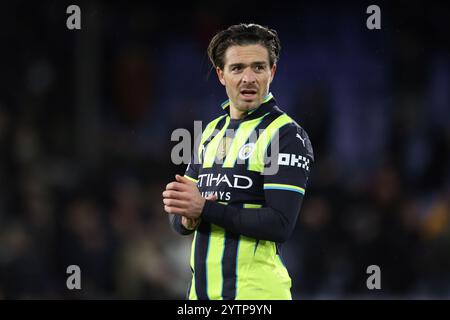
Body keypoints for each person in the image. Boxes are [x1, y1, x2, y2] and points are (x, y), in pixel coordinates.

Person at [162, 23, 314, 300]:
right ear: (221, 75)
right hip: (201, 296)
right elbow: (179, 221)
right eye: (237, 68)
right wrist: (187, 216)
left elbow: (280, 223)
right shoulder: (210, 132)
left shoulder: (285, 134)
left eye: (258, 67)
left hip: (256, 296)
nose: (249, 78)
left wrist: (204, 210)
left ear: (272, 72)